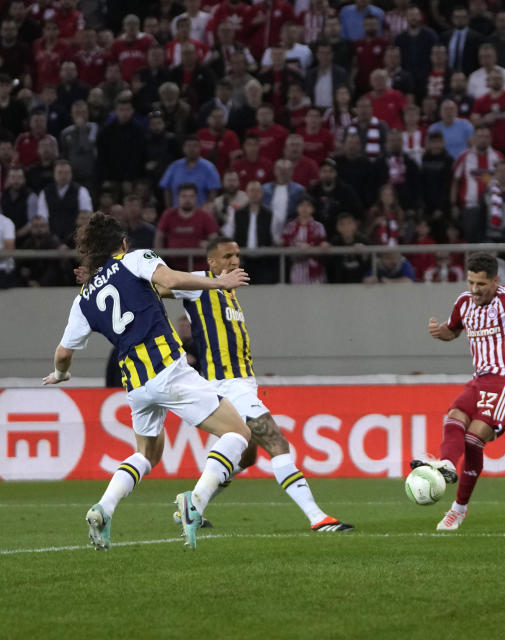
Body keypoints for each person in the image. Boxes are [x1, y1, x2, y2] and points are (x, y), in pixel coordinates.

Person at [43, 211, 252, 550]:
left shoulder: (82, 298)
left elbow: (63, 352)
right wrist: (219, 282)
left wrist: (61, 374)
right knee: (238, 433)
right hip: (168, 368)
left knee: (147, 454)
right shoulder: (135, 259)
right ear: (122, 244)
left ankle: (103, 508)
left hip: (137, 383)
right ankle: (195, 502)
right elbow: (169, 281)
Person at [162, 237, 352, 531]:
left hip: (243, 384)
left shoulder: (229, 293)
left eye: (237, 255)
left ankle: (192, 506)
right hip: (227, 384)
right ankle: (318, 518)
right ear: (211, 262)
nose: (235, 261)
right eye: (227, 256)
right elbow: (159, 287)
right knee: (277, 442)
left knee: (247, 455)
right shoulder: (200, 283)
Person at [410, 253, 505, 531]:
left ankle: (457, 509)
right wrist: (439, 331)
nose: (475, 290)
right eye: (471, 282)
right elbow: (452, 332)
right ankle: (446, 465)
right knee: (453, 417)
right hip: (480, 379)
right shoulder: (463, 303)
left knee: (473, 437)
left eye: (481, 284)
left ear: (495, 281)